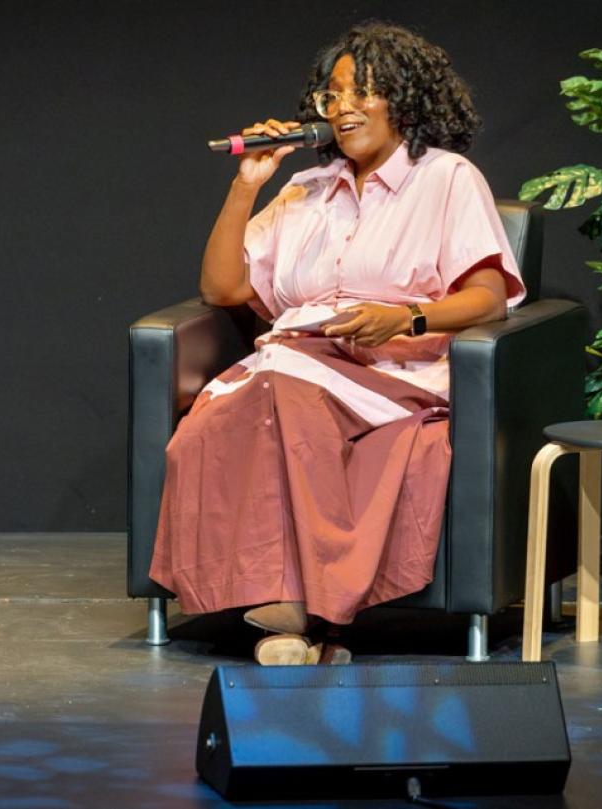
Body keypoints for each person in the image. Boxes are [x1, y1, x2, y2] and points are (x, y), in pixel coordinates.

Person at [149, 22, 525, 665]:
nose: (343, 108)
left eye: (363, 92)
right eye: (333, 96)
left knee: (278, 400)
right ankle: (308, 630)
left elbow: (487, 296)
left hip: (394, 372)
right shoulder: (306, 190)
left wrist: (405, 318)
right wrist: (249, 183)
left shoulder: (446, 179)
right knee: (214, 424)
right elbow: (220, 289)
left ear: (405, 100)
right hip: (295, 363)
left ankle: (291, 613)